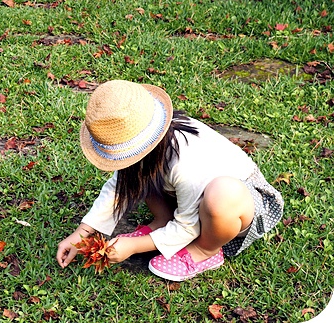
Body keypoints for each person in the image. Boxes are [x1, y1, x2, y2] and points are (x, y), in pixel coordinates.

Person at [56, 80, 283, 281]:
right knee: (138, 172)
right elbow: (118, 187)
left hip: (241, 206)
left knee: (222, 195)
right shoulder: (151, 143)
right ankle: (163, 223)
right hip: (189, 196)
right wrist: (82, 233)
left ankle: (206, 251)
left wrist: (134, 247)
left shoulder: (186, 162)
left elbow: (188, 225)